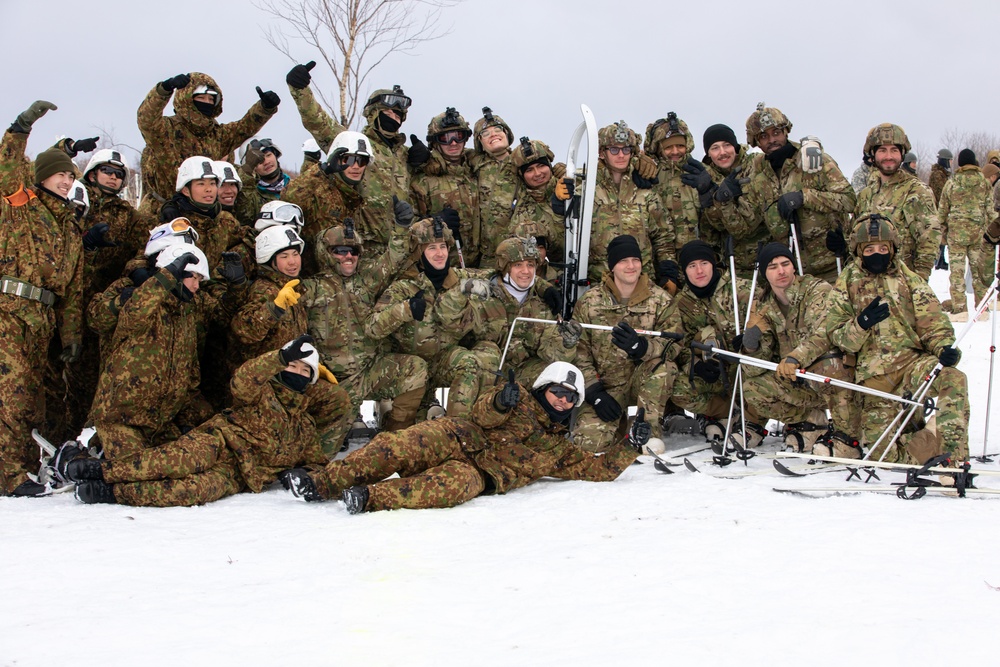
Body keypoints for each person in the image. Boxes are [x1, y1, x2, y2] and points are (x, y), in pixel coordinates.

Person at [278, 361, 646, 513]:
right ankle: (321, 483)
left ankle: (368, 497)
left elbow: (600, 471)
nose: (562, 401)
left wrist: (631, 444)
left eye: (570, 398)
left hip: (482, 473)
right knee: (395, 447)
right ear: (543, 387)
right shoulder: (515, 400)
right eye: (557, 391)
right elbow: (484, 412)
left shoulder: (557, 450)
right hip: (459, 435)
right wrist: (502, 401)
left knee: (438, 487)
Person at [58, 337, 351, 507]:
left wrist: (303, 474)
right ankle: (98, 470)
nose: (297, 373)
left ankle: (110, 492)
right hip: (219, 441)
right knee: (171, 462)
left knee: (188, 491)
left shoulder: (304, 426)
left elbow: (315, 462)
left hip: (239, 474)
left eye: (304, 371)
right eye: (291, 366)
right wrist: (278, 357)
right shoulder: (261, 393)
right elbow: (243, 380)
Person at [825, 214, 969, 464]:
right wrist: (861, 324)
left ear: (893, 248)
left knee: (953, 378)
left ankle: (953, 458)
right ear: (859, 251)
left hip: (911, 367)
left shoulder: (909, 279)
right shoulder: (846, 283)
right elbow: (838, 336)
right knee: (883, 455)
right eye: (870, 249)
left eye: (883, 248)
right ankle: (929, 437)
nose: (877, 254)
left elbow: (933, 324)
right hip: (874, 380)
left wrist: (944, 347)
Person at [87, 245, 248, 459]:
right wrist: (166, 277)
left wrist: (187, 422)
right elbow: (135, 311)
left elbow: (190, 380)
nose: (197, 286)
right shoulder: (143, 306)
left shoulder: (185, 317)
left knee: (198, 459)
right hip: (123, 420)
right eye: (194, 278)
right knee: (138, 472)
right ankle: (81, 462)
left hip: (160, 425)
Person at [0, 101, 86, 496]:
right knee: (11, 394)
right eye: (61, 175)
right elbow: (7, 167)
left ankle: (31, 466)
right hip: (9, 312)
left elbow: (73, 290)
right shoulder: (20, 204)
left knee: (36, 399)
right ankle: (10, 475)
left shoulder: (70, 226)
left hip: (43, 319)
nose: (67, 181)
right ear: (43, 176)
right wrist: (21, 127)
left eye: (71, 176)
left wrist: (71, 335)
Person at [299, 213, 425, 446]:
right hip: (334, 384)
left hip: (370, 372)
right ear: (326, 253)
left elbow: (393, 258)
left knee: (414, 369)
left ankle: (393, 435)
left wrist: (400, 226)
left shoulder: (367, 279)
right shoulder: (311, 288)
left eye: (354, 251)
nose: (349, 256)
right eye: (340, 251)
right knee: (320, 450)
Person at [365, 217, 505, 419]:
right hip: (408, 368)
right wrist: (405, 310)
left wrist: (544, 288)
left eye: (443, 247)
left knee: (468, 362)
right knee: (407, 434)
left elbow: (504, 274)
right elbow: (373, 327)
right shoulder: (404, 286)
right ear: (419, 253)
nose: (439, 254)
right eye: (431, 248)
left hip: (442, 360)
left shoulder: (460, 278)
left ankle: (457, 428)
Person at [740, 243, 861, 456]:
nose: (781, 271)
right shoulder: (764, 304)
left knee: (829, 364)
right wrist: (752, 339)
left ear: (794, 267)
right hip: (800, 382)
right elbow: (755, 367)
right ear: (764, 274)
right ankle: (811, 420)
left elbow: (824, 334)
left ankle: (847, 432)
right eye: (773, 266)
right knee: (752, 387)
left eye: (785, 264)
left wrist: (796, 357)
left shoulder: (817, 290)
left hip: (831, 377)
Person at [287, 64, 418, 252]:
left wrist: (426, 160)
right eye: (387, 114)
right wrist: (300, 90)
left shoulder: (404, 154)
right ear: (373, 114)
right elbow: (317, 121)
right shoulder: (354, 144)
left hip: (399, 247)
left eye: (398, 115)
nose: (393, 119)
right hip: (359, 249)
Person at [728, 103, 855, 282]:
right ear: (756, 141)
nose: (772, 140)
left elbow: (849, 200)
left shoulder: (814, 160)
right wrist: (723, 201)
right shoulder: (756, 175)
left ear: (786, 131)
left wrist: (805, 197)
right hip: (791, 273)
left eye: (776, 133)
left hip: (833, 265)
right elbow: (747, 225)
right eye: (764, 136)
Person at [574, 235, 676, 453]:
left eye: (635, 260)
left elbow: (674, 344)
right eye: (623, 261)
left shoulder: (660, 300)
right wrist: (595, 393)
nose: (631, 266)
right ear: (612, 267)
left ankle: (646, 429)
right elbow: (578, 350)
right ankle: (618, 425)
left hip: (644, 381)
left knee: (663, 367)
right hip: (607, 387)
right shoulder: (590, 302)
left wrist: (643, 348)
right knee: (588, 445)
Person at [665, 240, 763, 446]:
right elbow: (679, 346)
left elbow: (768, 328)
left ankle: (753, 421)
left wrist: (751, 342)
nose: (699, 271)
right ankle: (729, 413)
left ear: (713, 264)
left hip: (747, 370)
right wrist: (695, 364)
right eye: (692, 266)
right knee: (677, 387)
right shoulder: (680, 304)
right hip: (717, 375)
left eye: (704, 263)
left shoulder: (742, 291)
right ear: (684, 271)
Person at [137, 72, 279, 214]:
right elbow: (146, 119)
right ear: (187, 99)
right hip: (162, 212)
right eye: (201, 97)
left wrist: (264, 108)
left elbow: (244, 128)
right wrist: (164, 89)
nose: (207, 102)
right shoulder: (166, 130)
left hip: (204, 212)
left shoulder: (216, 135)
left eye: (211, 99)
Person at [566, 121, 671, 283]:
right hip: (600, 283)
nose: (621, 155)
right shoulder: (586, 190)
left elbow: (663, 236)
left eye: (626, 149)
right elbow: (572, 234)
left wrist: (668, 271)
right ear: (602, 152)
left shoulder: (645, 190)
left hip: (642, 281)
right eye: (614, 150)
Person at [854, 124, 941, 281]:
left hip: (902, 285)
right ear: (873, 154)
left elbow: (929, 241)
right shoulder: (866, 194)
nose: (889, 156)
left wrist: (918, 283)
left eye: (894, 150)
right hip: (866, 286)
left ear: (902, 154)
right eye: (882, 150)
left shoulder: (916, 191)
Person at [283, 130, 366, 273]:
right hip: (315, 278)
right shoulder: (319, 188)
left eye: (362, 161)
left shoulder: (363, 197)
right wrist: (323, 170)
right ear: (336, 160)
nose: (356, 166)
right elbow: (289, 199)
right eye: (349, 160)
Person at [229, 224, 308, 373]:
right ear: (270, 261)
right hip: (265, 376)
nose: (292, 261)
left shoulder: (294, 288)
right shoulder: (265, 290)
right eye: (284, 256)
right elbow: (244, 331)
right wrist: (273, 309)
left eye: (295, 254)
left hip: (290, 373)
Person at [645, 112, 721, 261]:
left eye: (680, 145)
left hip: (703, 257)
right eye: (668, 147)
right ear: (659, 148)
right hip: (665, 260)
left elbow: (723, 216)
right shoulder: (651, 176)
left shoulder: (703, 172)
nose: (675, 151)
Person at [409, 107, 480, 267]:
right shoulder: (423, 180)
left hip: (478, 265)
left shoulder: (477, 172)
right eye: (445, 138)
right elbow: (407, 227)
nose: (453, 143)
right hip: (441, 267)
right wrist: (435, 222)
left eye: (458, 136)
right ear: (434, 142)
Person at [698, 123, 766, 277]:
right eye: (715, 148)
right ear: (708, 153)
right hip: (734, 265)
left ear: (735, 146)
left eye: (727, 145)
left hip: (766, 258)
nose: (722, 152)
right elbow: (717, 227)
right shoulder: (706, 177)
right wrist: (709, 201)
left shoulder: (755, 164)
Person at [938, 149, 994, 320]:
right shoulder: (984, 183)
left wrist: (942, 231)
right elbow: (990, 211)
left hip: (956, 234)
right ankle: (982, 308)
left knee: (957, 271)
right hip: (978, 234)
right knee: (978, 271)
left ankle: (960, 308)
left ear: (961, 163)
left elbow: (942, 211)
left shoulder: (952, 183)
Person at [470, 107, 518, 267]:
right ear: (480, 143)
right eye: (485, 133)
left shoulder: (521, 162)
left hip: (514, 254)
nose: (493, 135)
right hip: (481, 255)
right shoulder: (472, 162)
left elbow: (544, 171)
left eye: (498, 129)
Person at [508, 137, 565, 264]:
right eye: (529, 170)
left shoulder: (569, 186)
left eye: (541, 166)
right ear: (522, 176)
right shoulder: (522, 212)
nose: (537, 173)